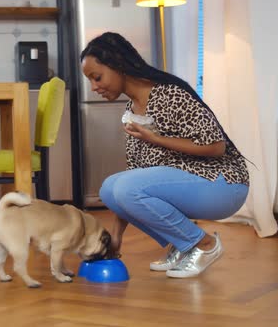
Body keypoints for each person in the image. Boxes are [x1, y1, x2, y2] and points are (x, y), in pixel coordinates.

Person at [80, 32, 249, 278]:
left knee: (125, 187)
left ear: (117, 65)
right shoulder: (131, 110)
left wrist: (155, 138)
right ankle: (182, 245)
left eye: (97, 77)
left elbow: (216, 146)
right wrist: (116, 236)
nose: (94, 87)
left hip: (224, 184)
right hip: (191, 183)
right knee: (109, 189)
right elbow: (132, 176)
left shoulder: (169, 93)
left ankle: (204, 245)